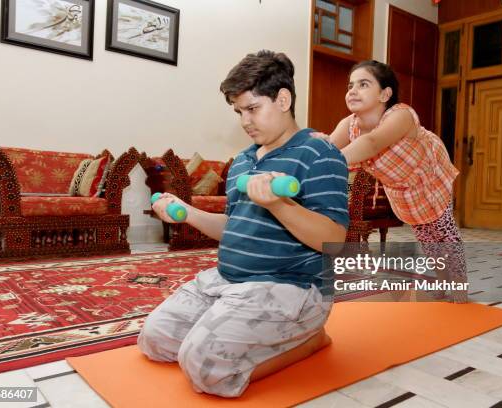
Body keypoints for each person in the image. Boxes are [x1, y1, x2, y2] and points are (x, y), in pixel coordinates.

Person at [138, 50, 349, 397]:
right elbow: (233, 227)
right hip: (228, 281)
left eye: (252, 109)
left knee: (204, 371)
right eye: (239, 112)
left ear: (283, 99)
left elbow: (335, 241)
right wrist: (186, 211)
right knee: (155, 339)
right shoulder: (243, 160)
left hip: (291, 287)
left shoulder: (319, 153)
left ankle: (309, 341)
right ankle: (237, 334)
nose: (245, 120)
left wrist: (280, 205)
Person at [312, 60, 467, 303]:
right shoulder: (348, 125)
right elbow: (328, 147)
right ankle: (442, 280)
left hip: (428, 175)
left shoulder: (401, 115)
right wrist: (317, 150)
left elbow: (372, 143)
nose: (352, 90)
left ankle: (458, 286)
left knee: (444, 232)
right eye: (350, 85)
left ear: (385, 93)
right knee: (426, 234)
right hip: (404, 188)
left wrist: (334, 160)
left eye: (363, 84)